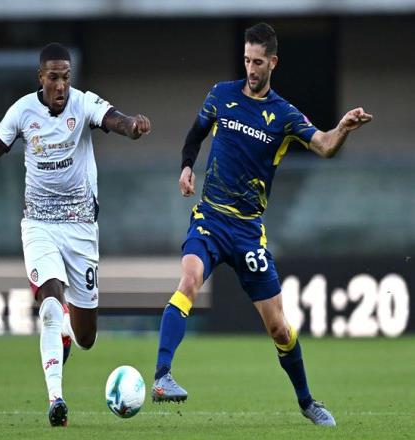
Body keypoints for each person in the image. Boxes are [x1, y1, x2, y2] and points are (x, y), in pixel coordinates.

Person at [151, 23, 372, 427]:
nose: (251, 69)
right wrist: (185, 167)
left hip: (249, 232)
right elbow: (195, 135)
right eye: (246, 60)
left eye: (258, 62)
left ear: (273, 62)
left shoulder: (284, 115)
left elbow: (323, 146)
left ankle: (307, 402)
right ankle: (162, 376)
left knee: (279, 329)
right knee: (189, 281)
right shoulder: (221, 95)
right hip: (211, 218)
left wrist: (342, 128)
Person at [0, 42, 151, 427]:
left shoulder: (82, 103)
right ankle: (56, 399)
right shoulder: (23, 111)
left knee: (86, 337)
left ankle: (68, 334)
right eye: (54, 78)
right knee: (51, 305)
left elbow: (114, 119)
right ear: (40, 77)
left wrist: (132, 127)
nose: (61, 86)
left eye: (66, 78)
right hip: (39, 225)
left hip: (81, 229)